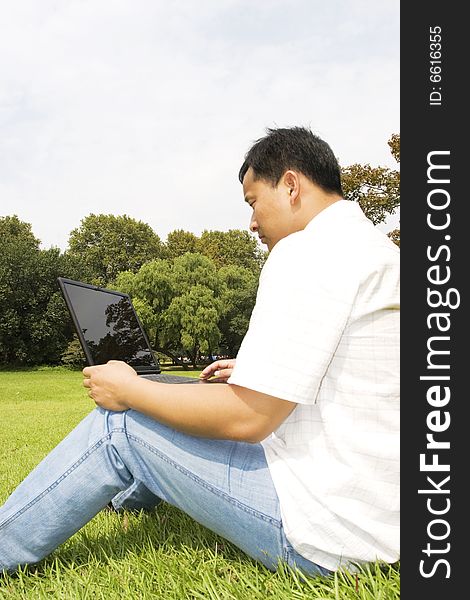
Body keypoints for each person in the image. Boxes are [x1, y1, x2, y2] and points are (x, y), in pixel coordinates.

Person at [0, 127, 399, 576]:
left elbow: (248, 419)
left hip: (330, 535)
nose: (251, 223)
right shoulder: (375, 250)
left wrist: (129, 389)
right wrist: (256, 371)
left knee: (122, 427)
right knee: (161, 405)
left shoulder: (307, 251)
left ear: (290, 185)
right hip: (381, 523)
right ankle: (127, 492)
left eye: (253, 202)